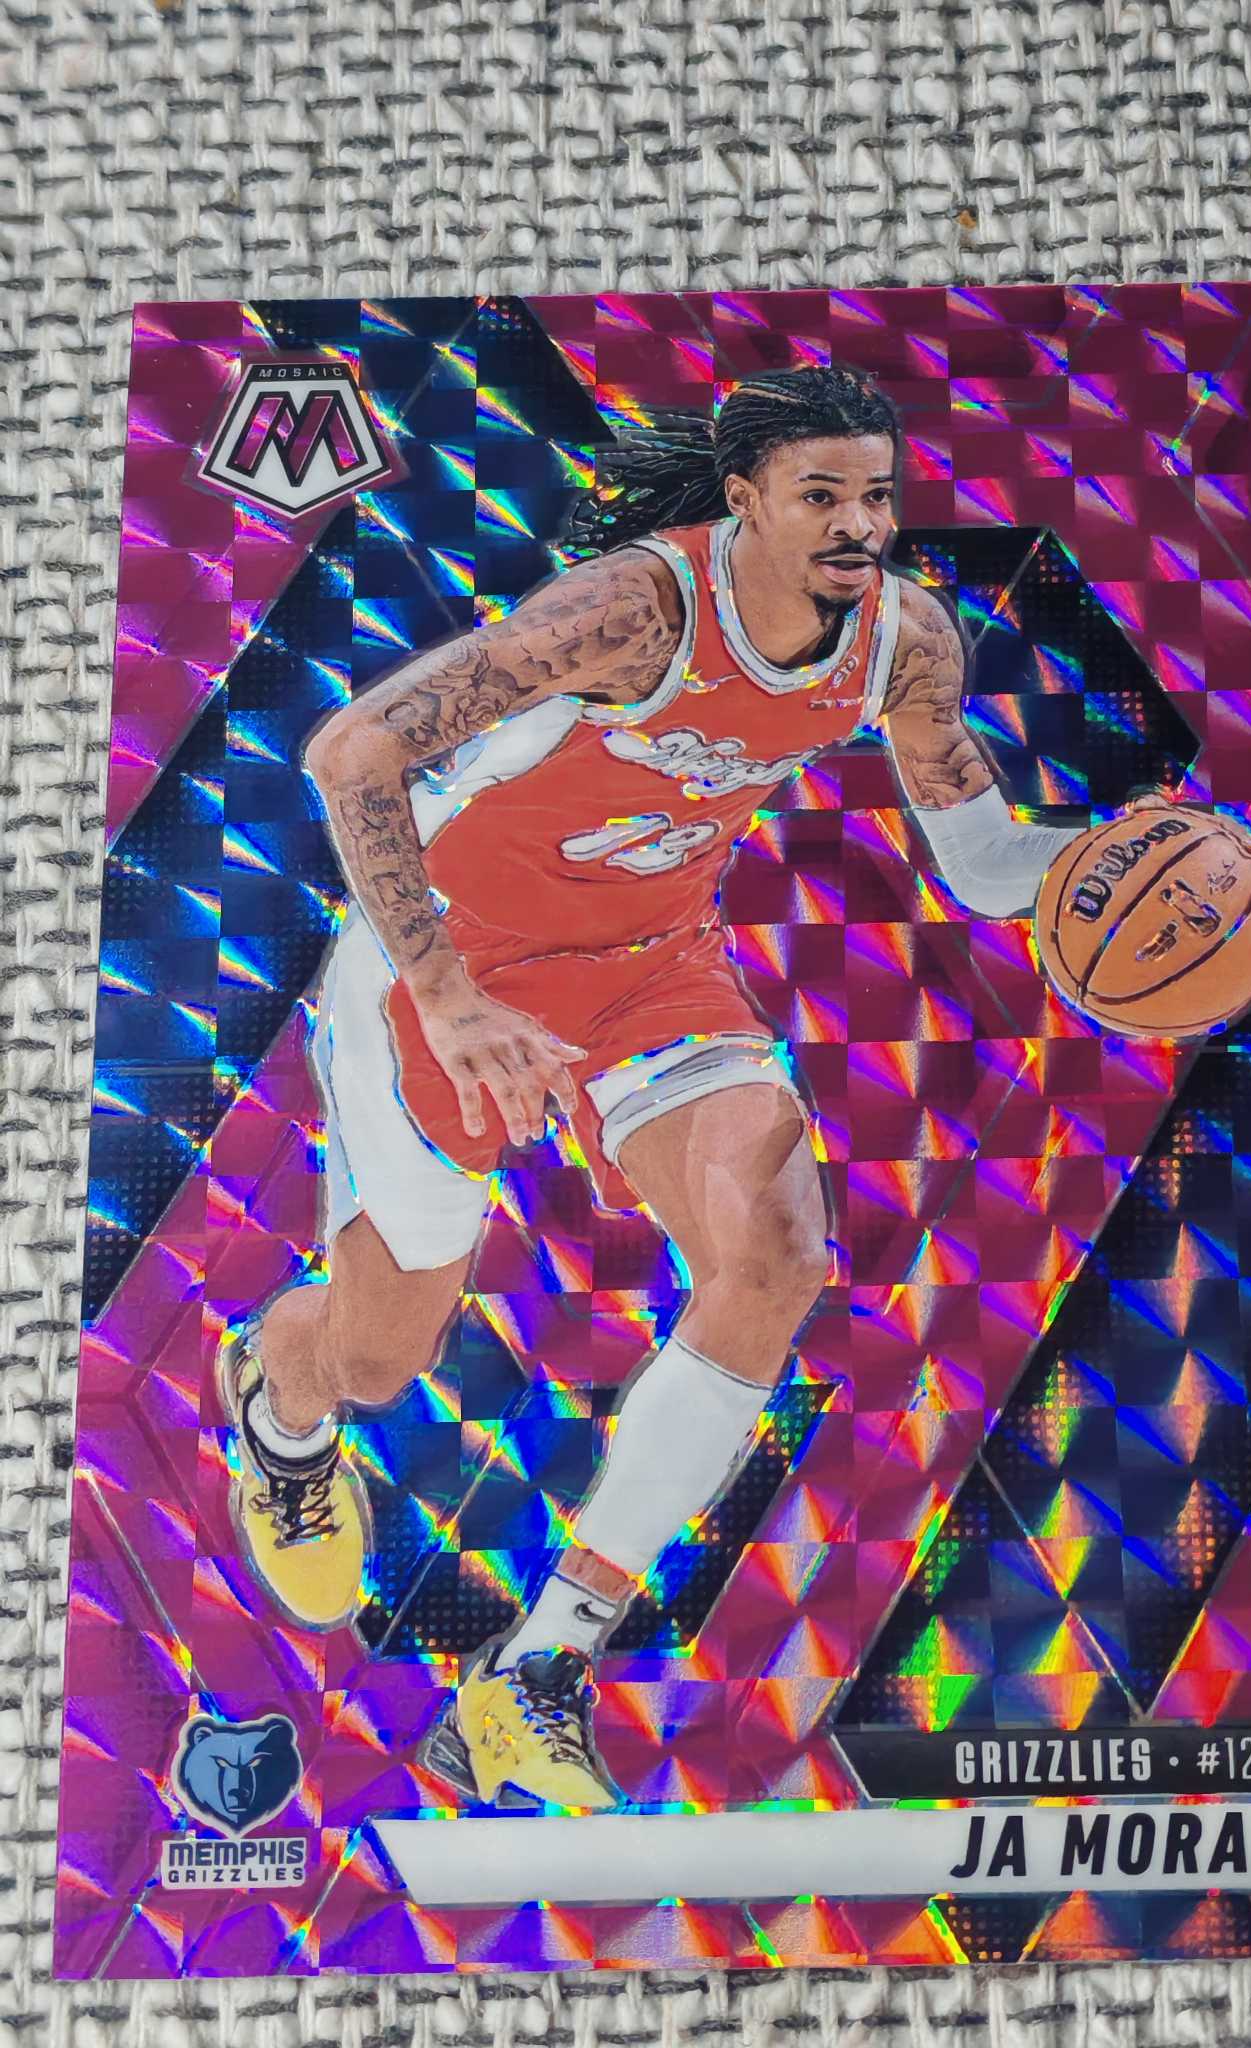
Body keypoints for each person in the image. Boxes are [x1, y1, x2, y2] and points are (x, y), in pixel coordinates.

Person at [218, 365, 1078, 1810]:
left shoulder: (905, 641)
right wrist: (449, 993)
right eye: (820, 494)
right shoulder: (635, 613)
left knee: (778, 1251)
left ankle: (536, 1670)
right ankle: (279, 1418)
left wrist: (1109, 859)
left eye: (876, 495)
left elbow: (987, 864)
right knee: (377, 1359)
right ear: (743, 501)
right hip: (450, 966)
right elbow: (351, 751)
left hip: (650, 966)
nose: (858, 523)